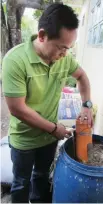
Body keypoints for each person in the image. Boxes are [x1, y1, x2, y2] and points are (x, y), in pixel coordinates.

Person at [2, 3, 93, 203]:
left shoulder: (64, 59)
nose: (65, 54)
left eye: (69, 49)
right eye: (62, 48)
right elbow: (17, 109)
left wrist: (86, 106)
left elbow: (82, 77)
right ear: (42, 36)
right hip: (24, 140)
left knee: (41, 176)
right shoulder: (15, 61)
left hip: (49, 138)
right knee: (21, 182)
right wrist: (54, 129)